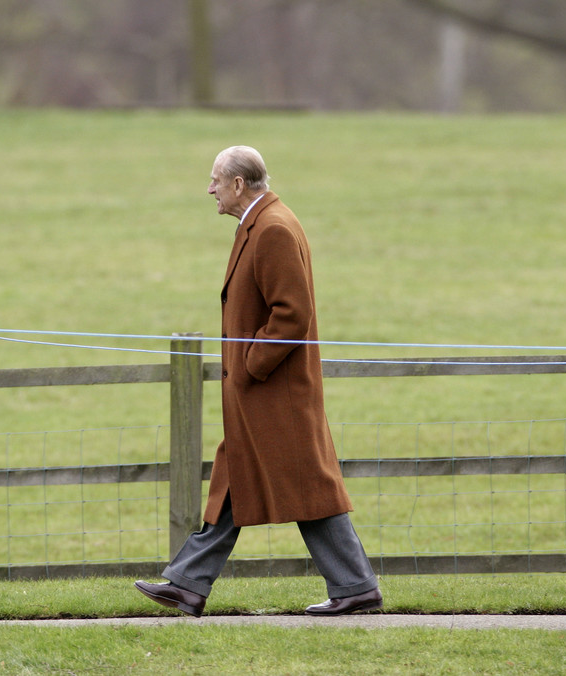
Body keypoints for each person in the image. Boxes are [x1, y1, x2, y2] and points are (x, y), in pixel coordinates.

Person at [134, 146, 381, 617]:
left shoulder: (272, 228)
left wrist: (250, 366)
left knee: (310, 488)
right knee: (236, 478)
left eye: (214, 181)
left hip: (275, 393)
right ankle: (188, 584)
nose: (209, 190)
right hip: (263, 395)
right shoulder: (261, 222)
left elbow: (292, 314)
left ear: (238, 185)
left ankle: (356, 588)